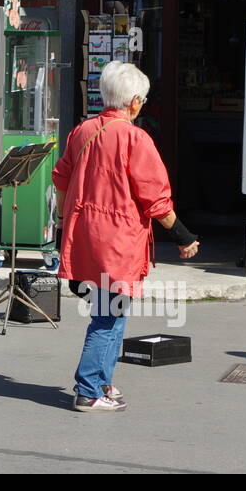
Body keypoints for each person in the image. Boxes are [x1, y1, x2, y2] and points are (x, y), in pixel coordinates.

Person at [52, 61, 199, 413]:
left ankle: (102, 380)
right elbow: (157, 199)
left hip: (86, 236)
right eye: (143, 101)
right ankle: (88, 389)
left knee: (113, 312)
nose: (142, 106)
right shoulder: (135, 139)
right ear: (134, 102)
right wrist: (183, 236)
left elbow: (61, 179)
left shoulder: (82, 131)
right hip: (117, 243)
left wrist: (62, 225)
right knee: (109, 316)